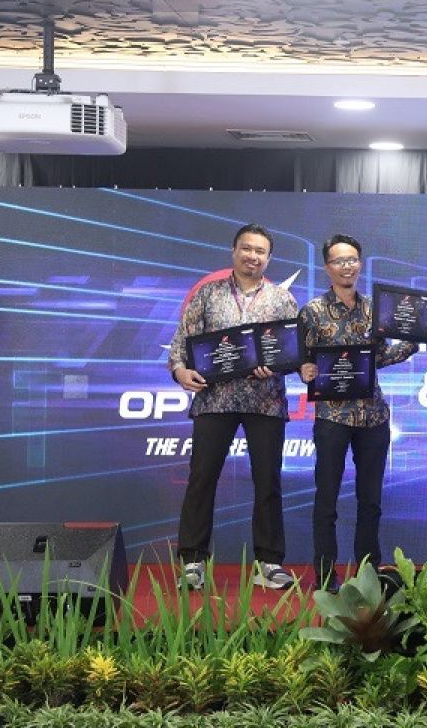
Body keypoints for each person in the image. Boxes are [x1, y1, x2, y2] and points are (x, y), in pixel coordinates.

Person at [299, 234, 427, 592]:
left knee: (371, 501)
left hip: (373, 416)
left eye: (352, 260)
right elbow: (302, 359)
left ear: (360, 264)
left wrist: (418, 338)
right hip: (332, 418)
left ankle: (368, 575)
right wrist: (305, 370)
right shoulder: (312, 312)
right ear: (328, 267)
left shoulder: (375, 309)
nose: (346, 266)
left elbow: (382, 357)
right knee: (326, 501)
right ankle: (326, 578)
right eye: (339, 261)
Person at [169, 223, 298, 591]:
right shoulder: (208, 294)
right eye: (246, 248)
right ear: (234, 251)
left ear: (268, 258)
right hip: (214, 400)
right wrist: (180, 371)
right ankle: (193, 562)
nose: (252, 256)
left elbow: (293, 352)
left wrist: (277, 365)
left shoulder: (282, 300)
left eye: (260, 251)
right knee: (202, 478)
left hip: (266, 401)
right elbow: (181, 343)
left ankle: (269, 562)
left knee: (268, 482)